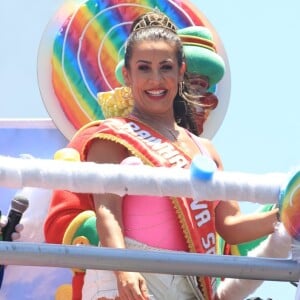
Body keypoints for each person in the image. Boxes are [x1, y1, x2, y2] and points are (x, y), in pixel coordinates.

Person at [44, 10, 280, 300]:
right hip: (130, 277)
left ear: (180, 71)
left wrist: (286, 216)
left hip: (188, 285)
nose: (156, 80)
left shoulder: (205, 149)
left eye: (165, 67)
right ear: (127, 75)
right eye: (144, 68)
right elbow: (107, 212)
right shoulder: (113, 135)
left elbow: (230, 228)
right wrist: (124, 270)